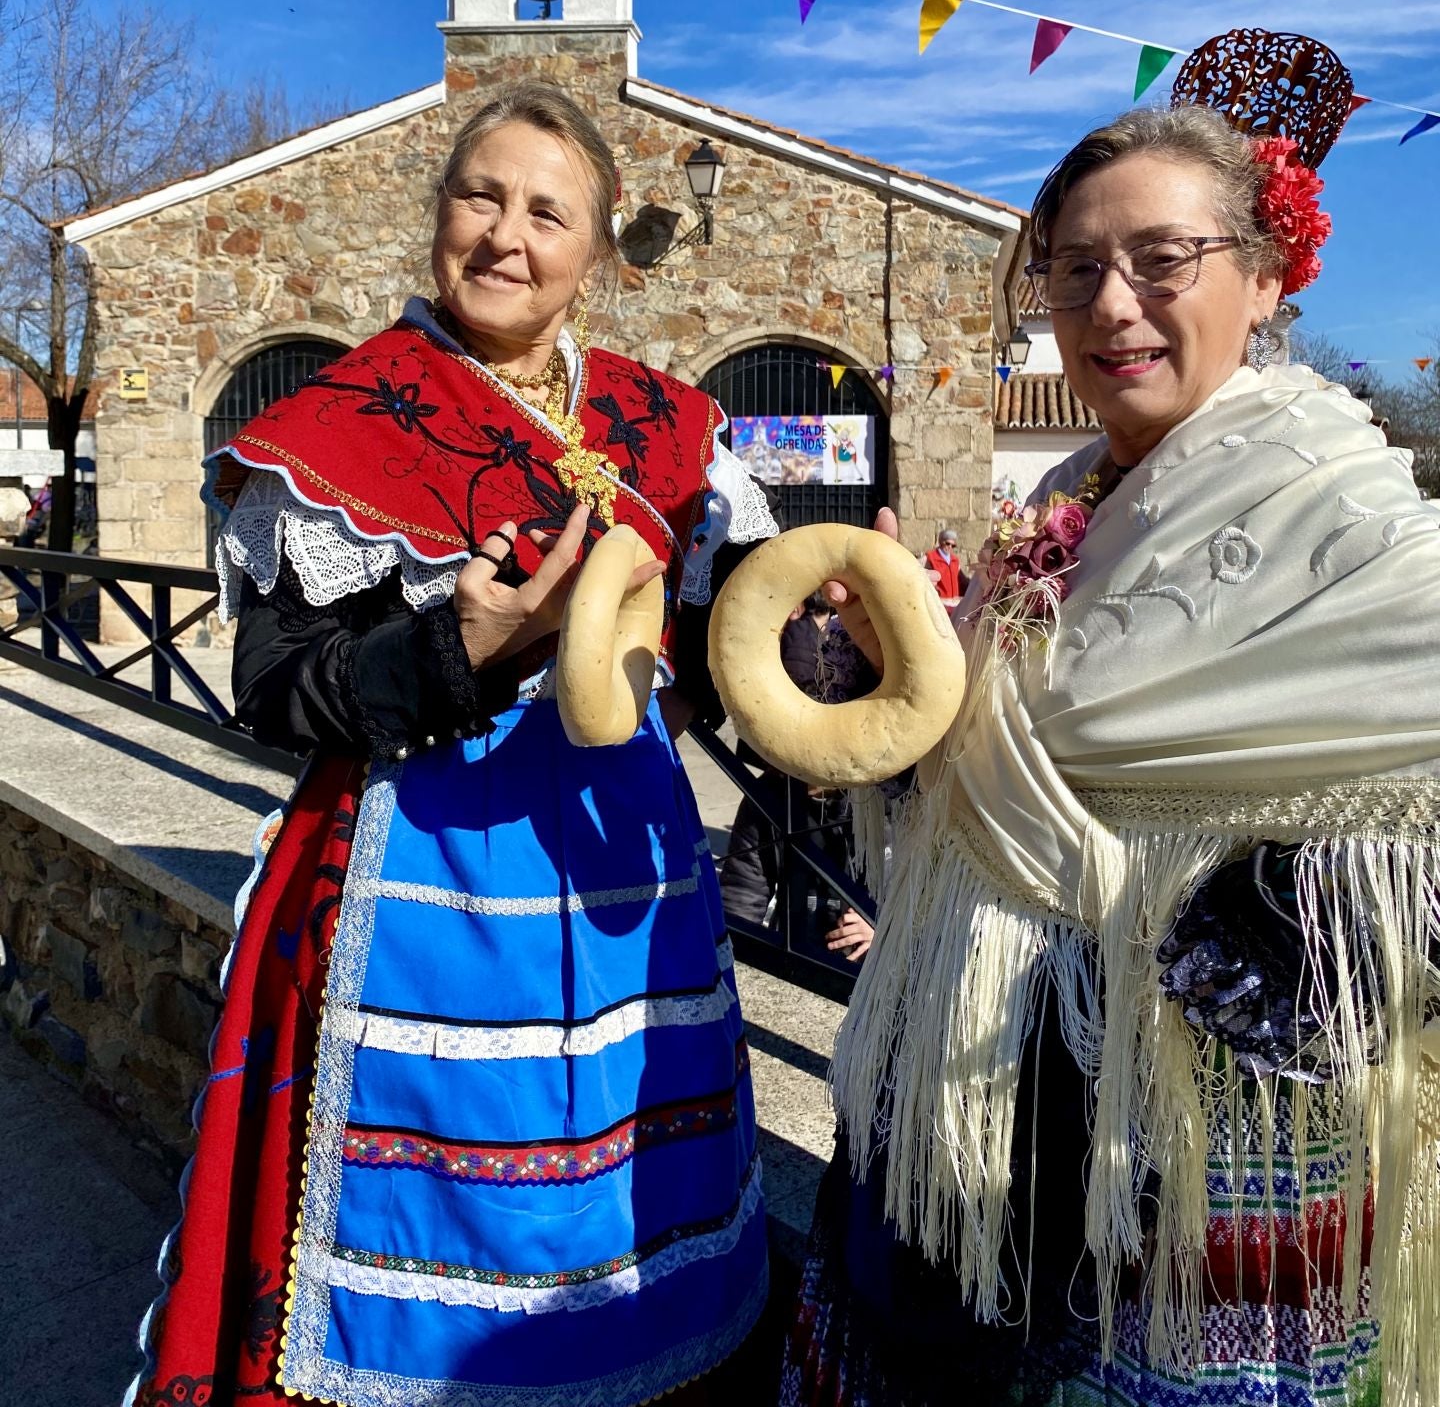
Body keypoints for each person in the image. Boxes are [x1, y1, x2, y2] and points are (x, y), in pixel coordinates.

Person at [780, 84, 1440, 1407]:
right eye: (1077, 269)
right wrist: (880, 668)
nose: (1113, 305)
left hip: (1203, 1145)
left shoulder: (1351, 522)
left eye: (1162, 260)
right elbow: (995, 751)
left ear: (1264, 279)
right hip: (975, 1105)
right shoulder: (1071, 504)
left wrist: (1304, 923)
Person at [127, 83, 779, 1407]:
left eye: (549, 211)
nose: (507, 235)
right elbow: (271, 693)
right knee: (424, 1245)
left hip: (628, 892)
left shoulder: (666, 429)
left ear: (593, 250)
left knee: (631, 1230)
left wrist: (819, 635)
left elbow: (719, 654)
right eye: (481, 196)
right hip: (417, 898)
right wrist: (456, 652)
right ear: (438, 216)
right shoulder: (341, 424)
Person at [720, 593, 875, 962]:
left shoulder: (881, 803)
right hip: (796, 953)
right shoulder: (769, 797)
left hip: (873, 966)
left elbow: (915, 886)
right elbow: (742, 893)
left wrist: (882, 925)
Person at [920, 527, 965, 612]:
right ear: (941, 542)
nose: (950, 547)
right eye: (948, 543)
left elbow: (962, 580)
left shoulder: (955, 560)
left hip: (953, 603)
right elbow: (918, 570)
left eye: (953, 545)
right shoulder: (930, 557)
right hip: (939, 603)